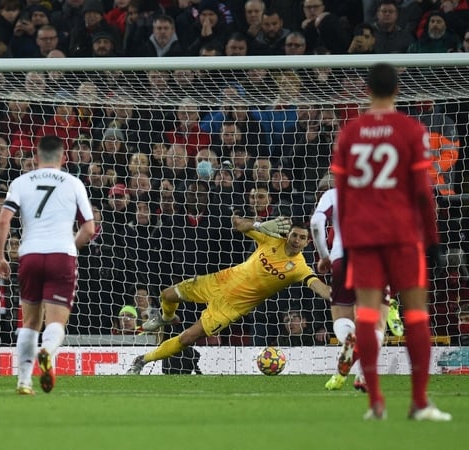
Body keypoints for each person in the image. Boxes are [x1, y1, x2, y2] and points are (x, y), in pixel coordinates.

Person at [331, 63, 451, 421]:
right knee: (415, 315)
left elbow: (343, 194)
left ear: (366, 89)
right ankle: (419, 402)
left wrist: (348, 244)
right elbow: (423, 193)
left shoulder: (351, 132)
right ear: (398, 89)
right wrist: (433, 242)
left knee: (366, 315)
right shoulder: (410, 129)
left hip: (364, 236)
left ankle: (376, 403)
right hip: (402, 234)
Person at [127, 217, 332, 374]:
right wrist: (259, 225)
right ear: (288, 235)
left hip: (231, 307)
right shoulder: (270, 239)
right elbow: (237, 223)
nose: (297, 240)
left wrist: (336, 297)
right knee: (168, 295)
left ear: (307, 243)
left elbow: (317, 285)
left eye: (302, 238)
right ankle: (167, 318)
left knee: (188, 337)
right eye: (294, 235)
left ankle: (142, 360)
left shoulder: (299, 268)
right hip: (218, 281)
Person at [0, 135, 95, 395]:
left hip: (30, 254)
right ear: (64, 158)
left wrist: (0, 256)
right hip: (61, 254)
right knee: (56, 322)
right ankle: (47, 351)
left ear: (36, 158)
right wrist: (72, 246)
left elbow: (4, 221)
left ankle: (24, 382)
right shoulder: (74, 183)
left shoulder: (20, 182)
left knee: (29, 322)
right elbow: (89, 228)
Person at [311, 185, 403, 392]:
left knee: (343, 319)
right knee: (377, 324)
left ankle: (350, 338)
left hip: (341, 259)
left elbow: (316, 223)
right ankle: (364, 375)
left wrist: (324, 256)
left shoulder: (334, 193)